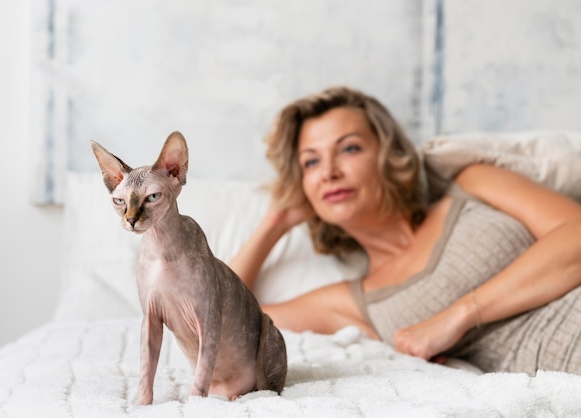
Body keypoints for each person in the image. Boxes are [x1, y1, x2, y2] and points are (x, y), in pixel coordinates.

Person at [229, 86, 581, 375]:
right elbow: (222, 324)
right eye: (311, 162)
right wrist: (273, 225)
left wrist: (458, 315)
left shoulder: (472, 184)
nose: (329, 172)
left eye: (349, 148)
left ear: (388, 153)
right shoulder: (353, 303)